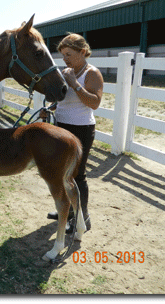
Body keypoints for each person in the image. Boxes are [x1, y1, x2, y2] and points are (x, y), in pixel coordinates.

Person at [43, 33, 104, 233]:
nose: (65, 58)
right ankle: (67, 213)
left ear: (83, 52)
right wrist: (50, 109)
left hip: (81, 129)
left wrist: (75, 83)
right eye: (63, 54)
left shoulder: (92, 73)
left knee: (77, 175)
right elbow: (64, 100)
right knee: (61, 173)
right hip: (61, 126)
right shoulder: (67, 71)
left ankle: (82, 218)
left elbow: (94, 103)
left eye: (69, 54)